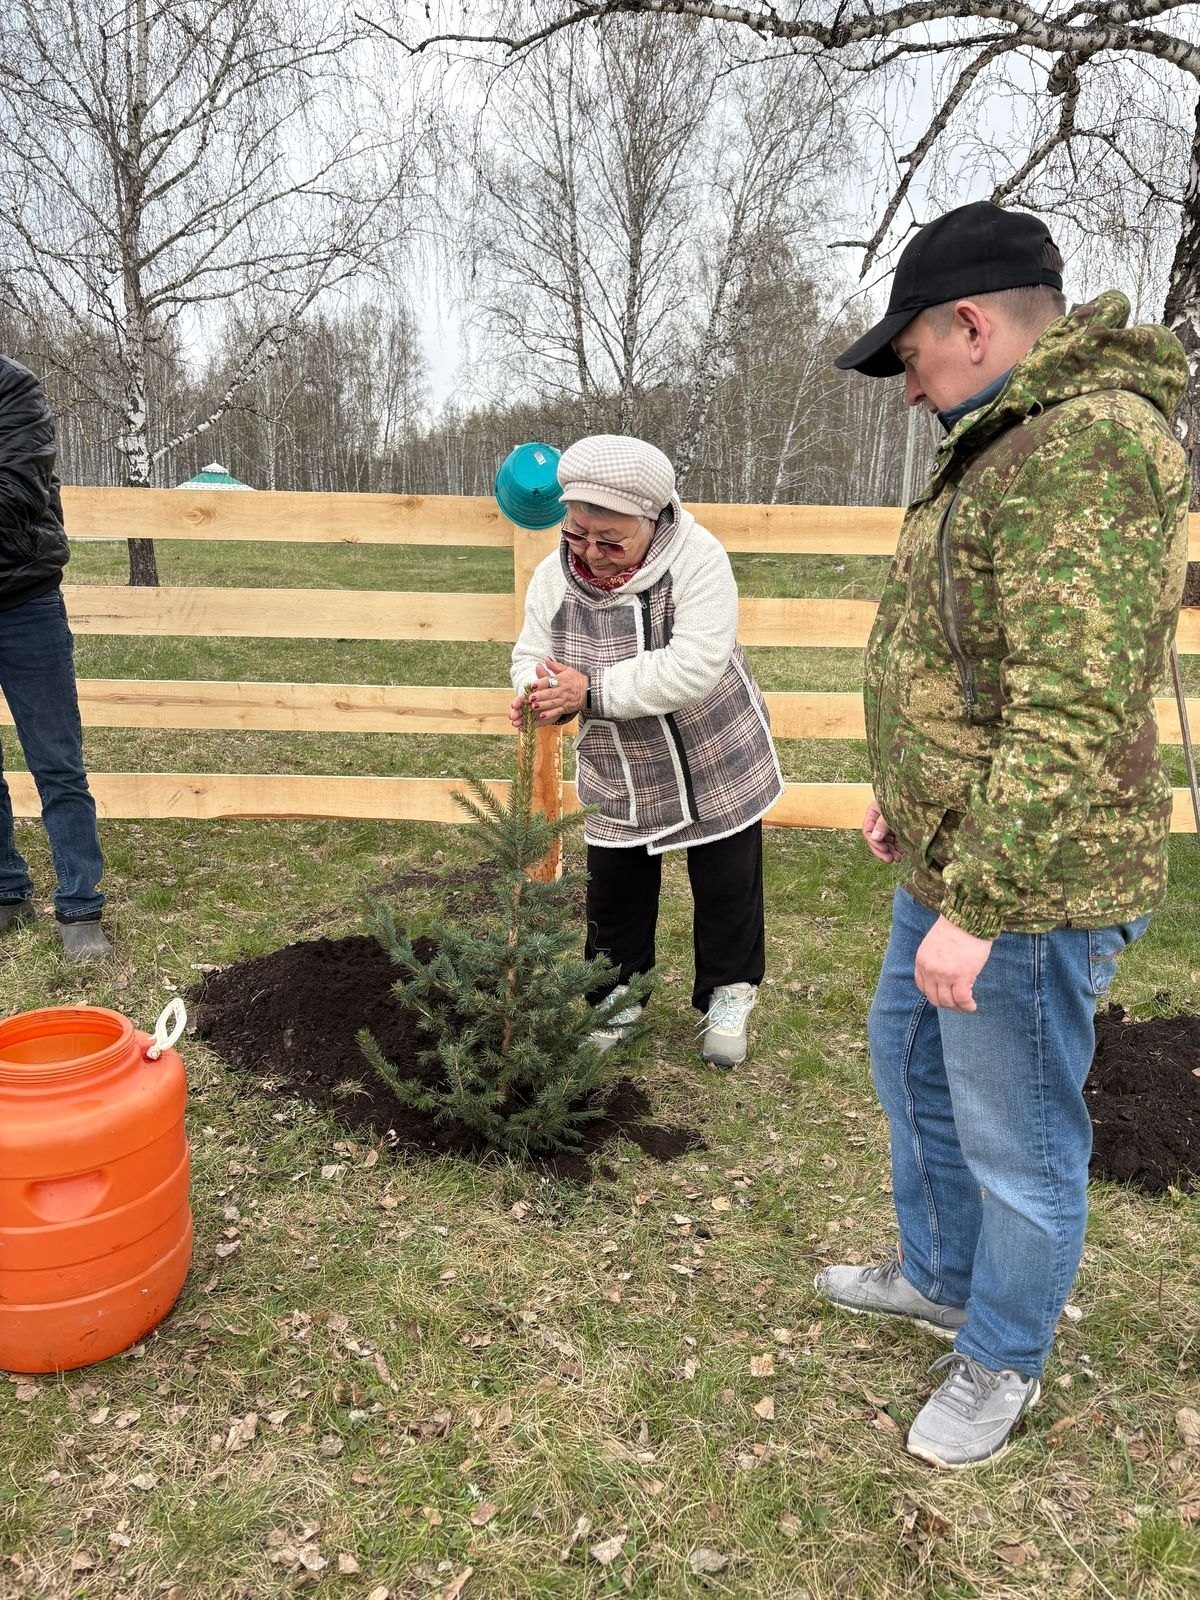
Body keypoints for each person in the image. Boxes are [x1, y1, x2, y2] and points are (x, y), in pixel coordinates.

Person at [815, 202, 1190, 1468]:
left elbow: (1074, 706)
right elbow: (974, 653)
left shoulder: (1084, 450)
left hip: (1033, 882)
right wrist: (907, 793)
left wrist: (982, 905)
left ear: (971, 325)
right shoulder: (1006, 435)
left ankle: (1002, 1353)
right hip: (958, 847)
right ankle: (941, 1274)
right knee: (907, 1059)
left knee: (1017, 1133)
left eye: (909, 354)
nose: (905, 384)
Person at [509, 434, 784, 1066]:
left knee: (726, 878)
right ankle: (615, 997)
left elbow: (696, 666)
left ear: (654, 520)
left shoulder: (698, 559)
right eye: (578, 534)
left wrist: (591, 689)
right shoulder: (555, 574)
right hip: (619, 760)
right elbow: (529, 655)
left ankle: (728, 992)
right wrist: (538, 690)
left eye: (611, 541)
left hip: (710, 746)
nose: (592, 553)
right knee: (615, 883)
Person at [0, 355, 111, 961]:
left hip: (24, 601)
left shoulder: (13, 387)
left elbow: (13, 494)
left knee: (57, 762)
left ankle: (80, 907)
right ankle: (5, 893)